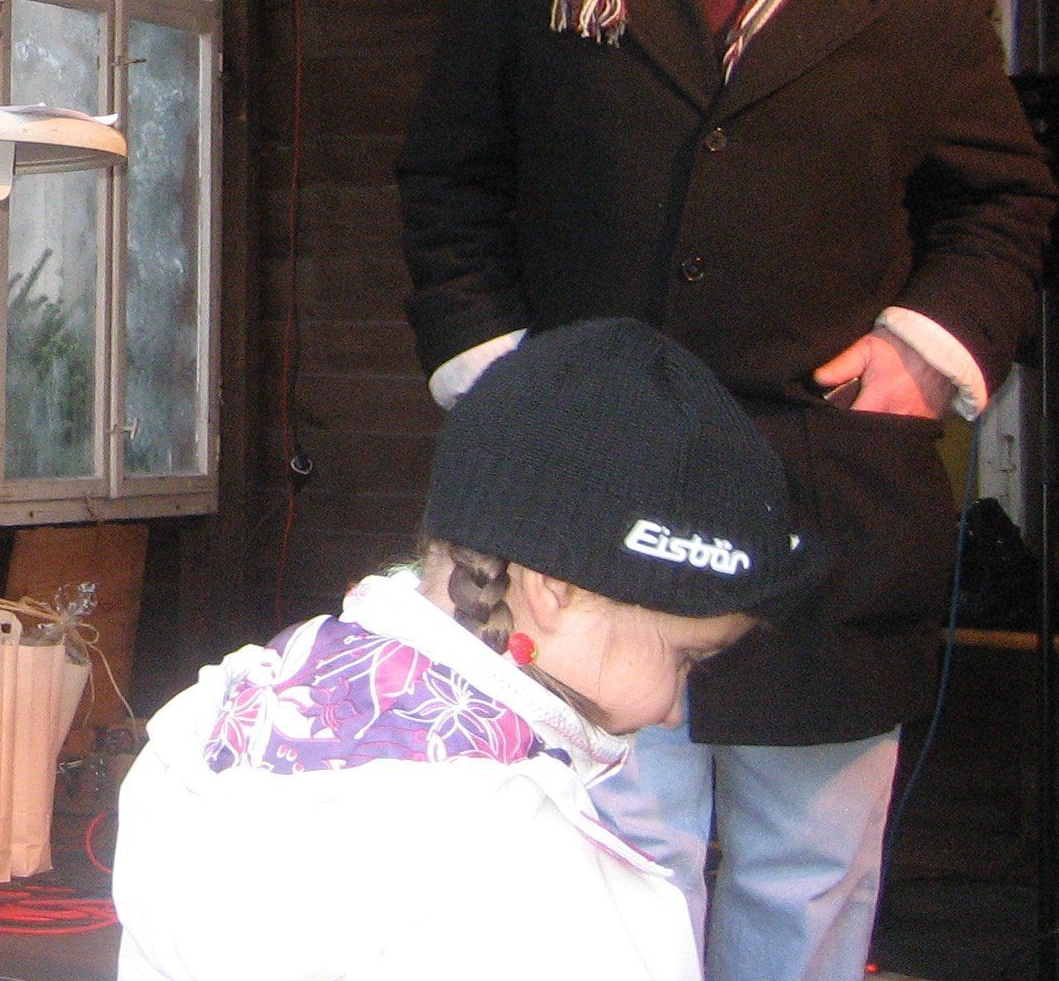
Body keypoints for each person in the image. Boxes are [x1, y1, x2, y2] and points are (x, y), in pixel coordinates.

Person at [397, 0, 1054, 981]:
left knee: (807, 867)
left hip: (826, 486)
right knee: (611, 843)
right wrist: (503, 376)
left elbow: (1003, 201)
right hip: (590, 491)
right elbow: (449, 179)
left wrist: (923, 350)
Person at [112, 319, 817, 981]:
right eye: (685, 659)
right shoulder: (529, 871)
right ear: (556, 589)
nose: (674, 711)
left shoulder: (217, 724)